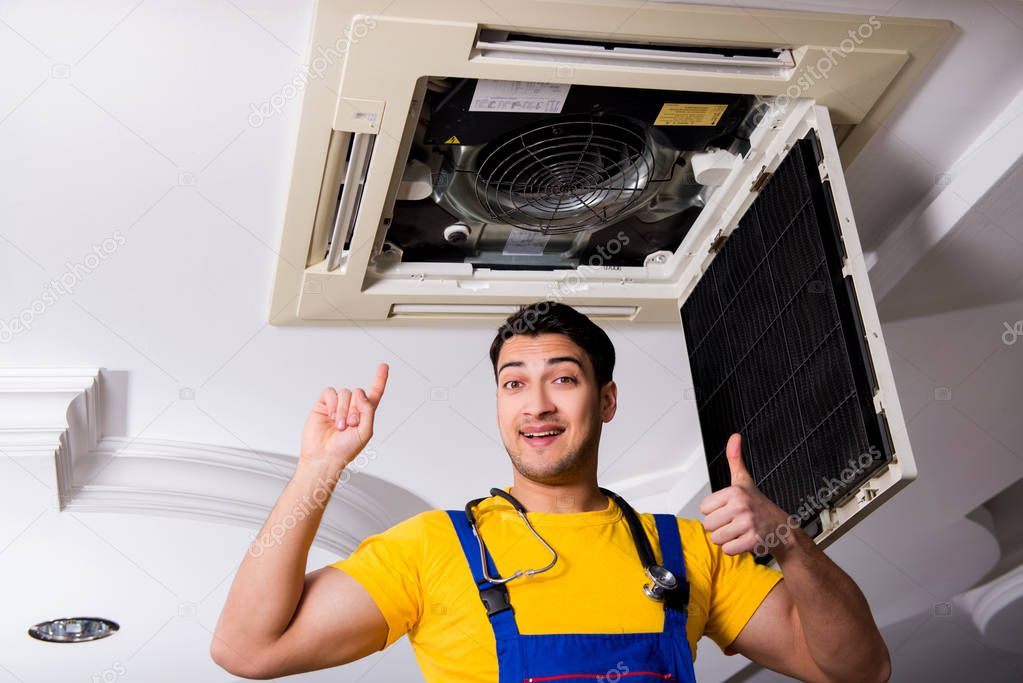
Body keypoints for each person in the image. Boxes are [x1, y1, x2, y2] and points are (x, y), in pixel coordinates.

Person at [211, 301, 890, 682]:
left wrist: (787, 541)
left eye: (562, 379)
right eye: (513, 382)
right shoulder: (430, 548)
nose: (534, 403)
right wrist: (318, 468)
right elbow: (247, 648)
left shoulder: (686, 550)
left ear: (606, 400)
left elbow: (859, 670)